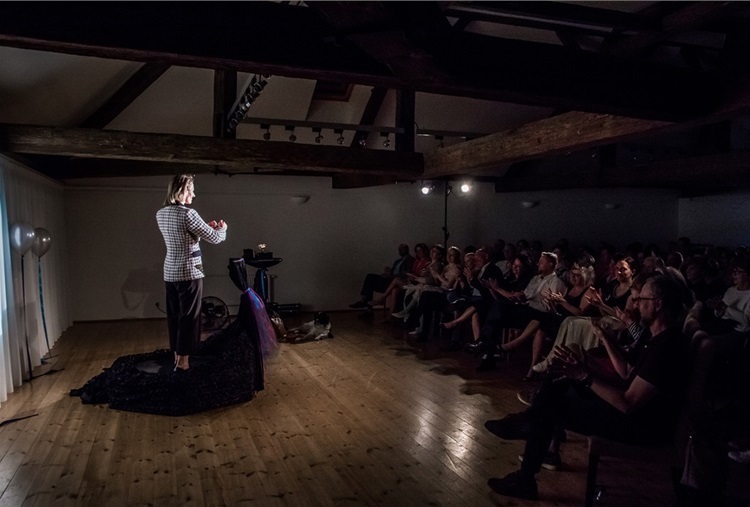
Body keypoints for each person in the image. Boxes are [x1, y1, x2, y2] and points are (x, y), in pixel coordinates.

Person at [484, 275, 690, 500]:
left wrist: (585, 375)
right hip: (634, 414)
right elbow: (628, 374)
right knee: (561, 377)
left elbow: (628, 404)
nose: (637, 303)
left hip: (640, 426)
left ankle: (526, 459)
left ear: (658, 304)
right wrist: (580, 371)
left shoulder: (667, 347)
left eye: (642, 299)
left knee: (552, 406)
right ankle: (529, 423)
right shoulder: (657, 338)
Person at [156, 174, 227, 372]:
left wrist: (202, 230)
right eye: (191, 190)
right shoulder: (189, 213)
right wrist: (222, 229)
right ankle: (184, 363)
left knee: (174, 316)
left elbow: (183, 236)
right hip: (190, 272)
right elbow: (215, 238)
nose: (194, 195)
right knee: (189, 318)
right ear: (182, 190)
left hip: (170, 271)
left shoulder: (161, 214)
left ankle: (176, 357)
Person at [350, 244, 414, 309]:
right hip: (389, 279)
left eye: (402, 249)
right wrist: (388, 272)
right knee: (370, 278)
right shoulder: (397, 261)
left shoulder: (410, 259)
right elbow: (393, 271)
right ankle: (365, 303)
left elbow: (407, 273)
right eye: (399, 249)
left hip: (397, 282)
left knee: (371, 281)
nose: (400, 251)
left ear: (407, 249)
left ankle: (365, 303)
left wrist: (392, 275)